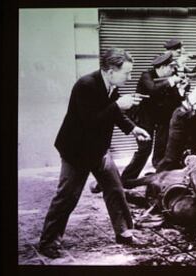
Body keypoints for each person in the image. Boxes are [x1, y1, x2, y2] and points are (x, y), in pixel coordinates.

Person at [38, 48, 151, 258]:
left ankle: (125, 232)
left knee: (116, 190)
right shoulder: (86, 85)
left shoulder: (110, 86)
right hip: (77, 151)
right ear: (110, 71)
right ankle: (48, 242)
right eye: (126, 72)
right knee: (67, 197)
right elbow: (91, 121)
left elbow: (114, 115)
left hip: (99, 150)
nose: (129, 77)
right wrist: (118, 105)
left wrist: (133, 129)